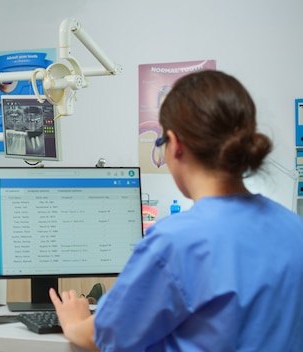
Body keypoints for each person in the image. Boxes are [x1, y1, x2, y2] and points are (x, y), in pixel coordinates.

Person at [49, 70, 303, 351]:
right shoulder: (294, 229)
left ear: (176, 145)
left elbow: (107, 336)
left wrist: (74, 322)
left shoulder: (175, 242)